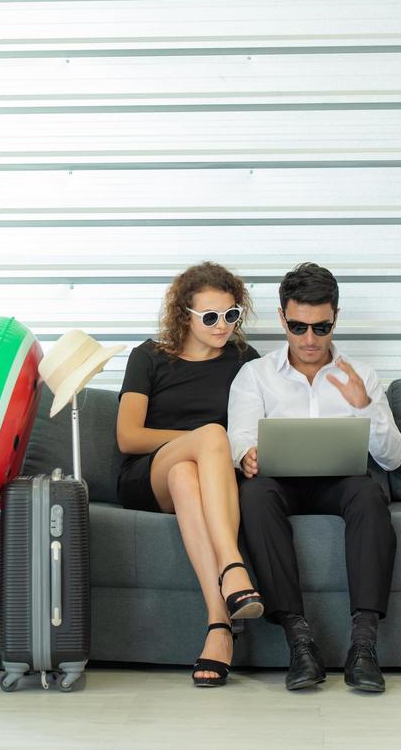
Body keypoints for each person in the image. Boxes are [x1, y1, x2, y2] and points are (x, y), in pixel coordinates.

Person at [227, 262, 401, 693]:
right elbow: (241, 439)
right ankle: (299, 643)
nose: (309, 340)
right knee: (254, 494)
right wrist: (246, 456)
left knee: (369, 491)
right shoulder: (256, 375)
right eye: (299, 327)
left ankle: (363, 646)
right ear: (283, 318)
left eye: (321, 328)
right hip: (278, 485)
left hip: (340, 483)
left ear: (335, 319)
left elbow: (393, 458)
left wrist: (365, 407)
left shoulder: (361, 377)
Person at [116, 261, 263, 687]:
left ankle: (219, 626)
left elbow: (253, 425)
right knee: (203, 443)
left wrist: (239, 452)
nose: (223, 326)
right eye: (211, 317)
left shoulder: (244, 360)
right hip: (147, 474)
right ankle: (232, 566)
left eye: (232, 315)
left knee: (187, 474)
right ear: (184, 316)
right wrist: (202, 440)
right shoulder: (149, 356)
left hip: (205, 479)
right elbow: (128, 436)